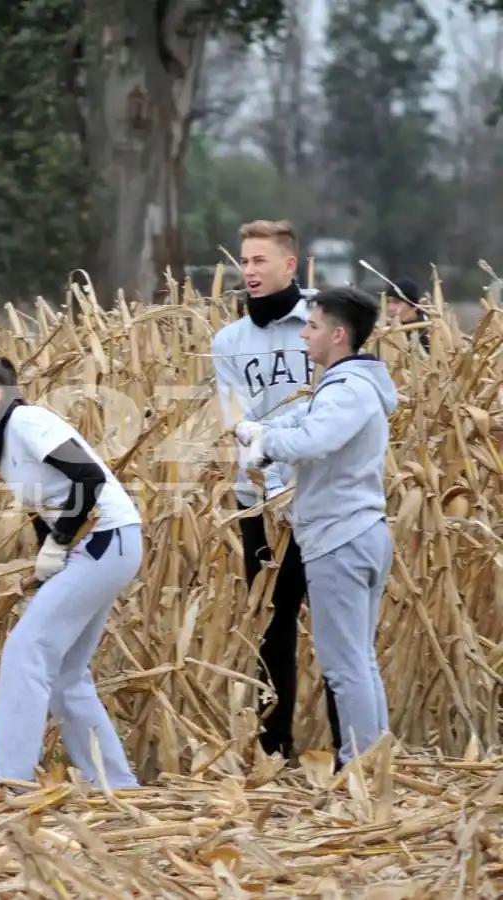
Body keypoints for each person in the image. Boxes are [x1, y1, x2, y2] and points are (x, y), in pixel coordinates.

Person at [0, 356, 143, 791]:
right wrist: (49, 559)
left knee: (25, 650)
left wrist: (59, 544)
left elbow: (88, 478)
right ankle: (116, 784)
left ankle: (10, 783)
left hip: (107, 538)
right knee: (67, 673)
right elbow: (48, 506)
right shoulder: (7, 444)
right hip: (102, 545)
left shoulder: (27, 421)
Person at [236, 286, 396, 769]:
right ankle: (372, 767)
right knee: (359, 661)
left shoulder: (348, 390)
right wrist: (263, 431)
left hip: (340, 538)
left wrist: (264, 446)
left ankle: (359, 770)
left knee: (345, 667)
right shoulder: (348, 386)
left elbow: (317, 437)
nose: (304, 334)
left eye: (312, 326)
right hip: (358, 533)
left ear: (338, 334)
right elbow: (302, 420)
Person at [211, 219, 340, 762]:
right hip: (259, 501)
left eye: (260, 260)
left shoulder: (325, 321)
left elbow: (338, 406)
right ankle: (275, 746)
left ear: (290, 265)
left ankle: (350, 750)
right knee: (272, 623)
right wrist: (270, 484)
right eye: (245, 261)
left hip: (322, 497)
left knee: (335, 622)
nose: (249, 271)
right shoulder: (229, 341)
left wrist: (292, 468)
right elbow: (239, 421)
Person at [383, 276, 429, 352]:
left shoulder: (429, 334)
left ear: (414, 305)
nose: (390, 308)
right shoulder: (384, 336)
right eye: (388, 302)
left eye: (396, 302)